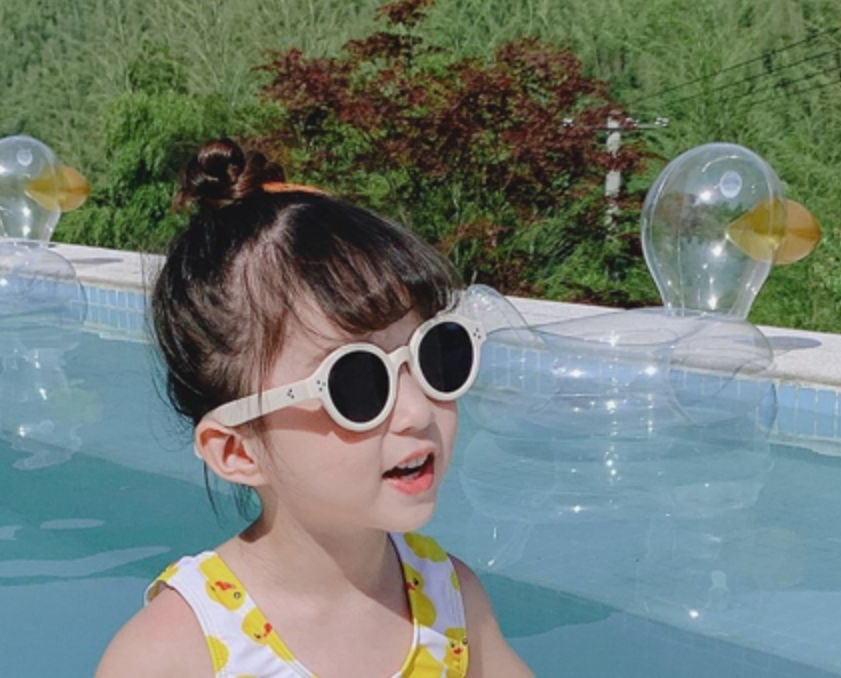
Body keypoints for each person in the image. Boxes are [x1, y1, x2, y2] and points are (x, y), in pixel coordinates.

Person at [96, 138, 532, 678]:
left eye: (436, 355)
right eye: (357, 384)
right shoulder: (176, 653)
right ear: (237, 450)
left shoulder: (452, 604)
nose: (418, 411)